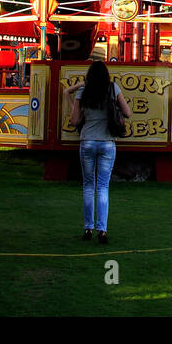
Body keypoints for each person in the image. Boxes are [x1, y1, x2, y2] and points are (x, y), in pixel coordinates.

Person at [68, 60, 133, 245]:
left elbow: (74, 120)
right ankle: (102, 230)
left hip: (87, 141)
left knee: (88, 185)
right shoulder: (113, 89)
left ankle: (88, 227)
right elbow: (127, 113)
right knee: (103, 186)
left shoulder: (83, 92)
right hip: (107, 143)